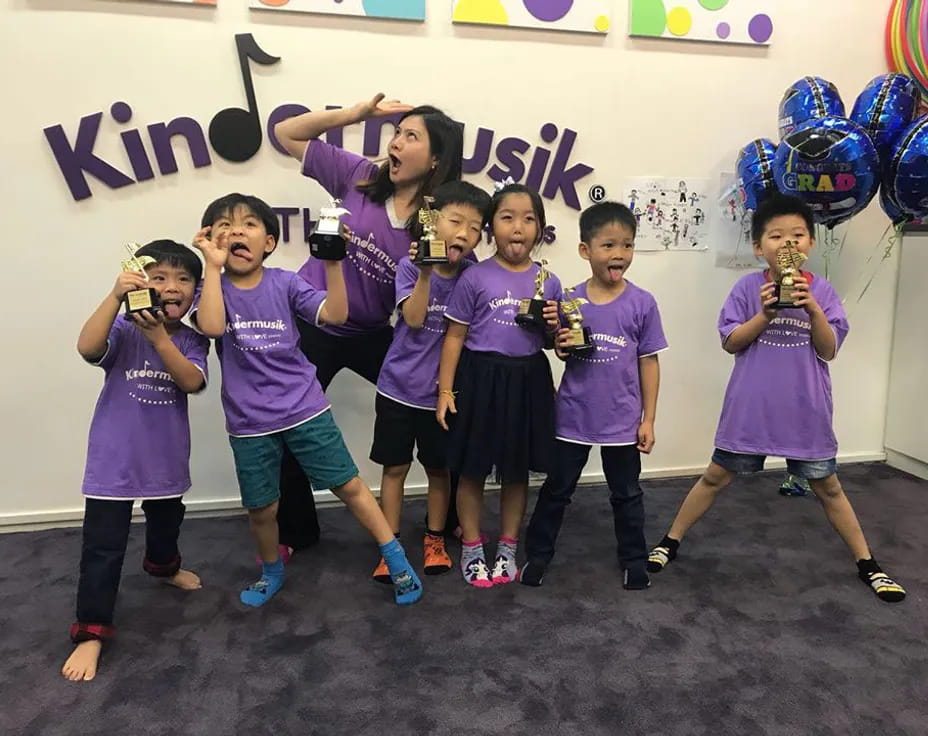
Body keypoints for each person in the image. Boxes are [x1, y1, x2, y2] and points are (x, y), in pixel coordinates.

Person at [646, 193, 906, 603]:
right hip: (751, 407)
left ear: (811, 243)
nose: (788, 244)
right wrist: (764, 315)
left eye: (798, 235)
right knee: (715, 476)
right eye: (776, 236)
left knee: (829, 488)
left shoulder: (824, 291)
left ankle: (868, 563)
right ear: (757, 246)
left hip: (806, 409)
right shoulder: (747, 289)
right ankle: (669, 541)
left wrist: (815, 310)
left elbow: (828, 349)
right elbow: (731, 343)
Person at [191, 193, 422, 607]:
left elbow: (334, 315)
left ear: (270, 242)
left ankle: (397, 559)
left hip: (304, 410)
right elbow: (211, 327)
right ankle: (271, 571)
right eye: (223, 225)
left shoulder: (286, 282)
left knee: (349, 486)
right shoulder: (211, 289)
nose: (236, 231)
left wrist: (334, 263)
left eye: (248, 224)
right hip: (249, 424)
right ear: (209, 238)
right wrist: (211, 266)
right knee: (262, 509)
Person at [271, 94, 465, 552]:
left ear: (435, 157)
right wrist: (354, 115)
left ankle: (455, 514)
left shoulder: (437, 218)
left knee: (441, 406)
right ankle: (295, 531)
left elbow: (463, 269)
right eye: (397, 133)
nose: (396, 142)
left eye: (410, 135)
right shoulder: (360, 177)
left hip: (373, 333)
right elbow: (287, 133)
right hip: (312, 322)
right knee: (289, 423)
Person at [62, 240, 208, 682]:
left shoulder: (192, 339)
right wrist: (113, 296)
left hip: (164, 460)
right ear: (141, 282)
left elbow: (191, 382)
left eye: (184, 279)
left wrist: (160, 337)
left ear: (196, 292)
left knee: (167, 524)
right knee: (103, 549)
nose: (172, 287)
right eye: (159, 277)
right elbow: (87, 348)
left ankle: (163, 567)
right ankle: (91, 632)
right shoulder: (123, 329)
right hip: (113, 461)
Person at [521, 202, 667, 590]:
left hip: (622, 419)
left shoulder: (642, 303)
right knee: (556, 490)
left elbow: (649, 362)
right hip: (573, 415)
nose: (619, 254)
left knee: (627, 494)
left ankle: (634, 560)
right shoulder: (569, 299)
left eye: (627, 245)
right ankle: (537, 554)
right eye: (608, 245)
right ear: (586, 250)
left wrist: (648, 418)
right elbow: (559, 348)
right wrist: (561, 346)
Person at [437, 183, 562, 588]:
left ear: (540, 229)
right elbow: (454, 336)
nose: (518, 227)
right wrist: (445, 391)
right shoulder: (474, 277)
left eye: (529, 219)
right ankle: (473, 545)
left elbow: (550, 343)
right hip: (479, 379)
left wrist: (556, 331)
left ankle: (508, 545)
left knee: (516, 471)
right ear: (492, 226)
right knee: (471, 470)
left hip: (528, 381)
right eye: (507, 217)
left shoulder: (549, 280)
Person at [370, 181, 491, 582]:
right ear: (432, 222)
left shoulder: (474, 276)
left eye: (474, 228)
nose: (463, 233)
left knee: (439, 471)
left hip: (444, 396)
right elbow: (415, 319)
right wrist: (424, 272)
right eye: (455, 221)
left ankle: (435, 538)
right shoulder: (410, 267)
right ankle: (391, 545)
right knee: (395, 469)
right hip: (398, 390)